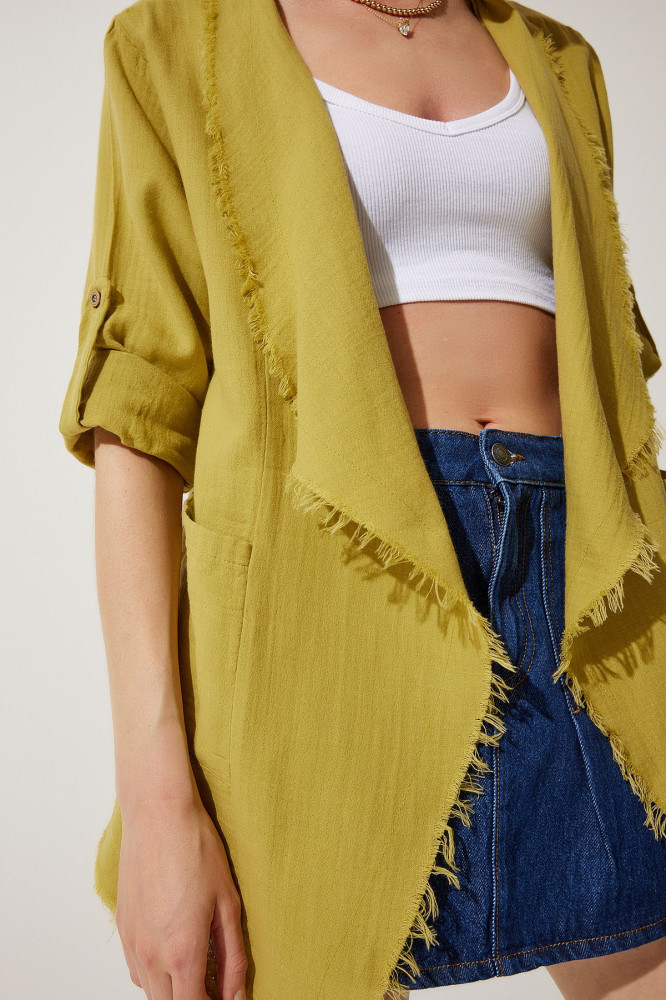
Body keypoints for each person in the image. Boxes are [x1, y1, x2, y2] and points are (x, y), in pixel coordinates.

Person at [59, 0, 666, 998]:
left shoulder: (561, 60)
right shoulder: (173, 41)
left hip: (592, 602)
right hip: (323, 600)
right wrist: (158, 797)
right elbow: (139, 417)